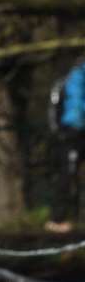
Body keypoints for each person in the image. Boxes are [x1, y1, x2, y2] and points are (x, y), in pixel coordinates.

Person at [46, 61, 85, 233]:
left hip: (77, 132)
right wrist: (59, 133)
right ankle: (57, 218)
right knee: (67, 174)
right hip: (71, 134)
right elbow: (54, 108)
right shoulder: (67, 81)